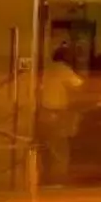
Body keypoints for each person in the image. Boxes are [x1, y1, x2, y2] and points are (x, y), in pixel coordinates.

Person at [35, 40, 84, 186]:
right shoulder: (63, 70)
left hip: (42, 113)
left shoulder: (46, 69)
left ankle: (43, 179)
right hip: (55, 114)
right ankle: (57, 182)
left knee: (45, 149)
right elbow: (80, 86)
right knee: (60, 150)